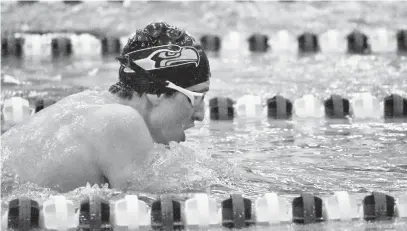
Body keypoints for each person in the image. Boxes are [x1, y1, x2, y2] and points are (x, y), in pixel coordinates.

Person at [1, 22, 211, 193]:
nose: (201, 114)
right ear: (156, 92)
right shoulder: (120, 121)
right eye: (196, 97)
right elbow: (159, 203)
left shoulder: (93, 101)